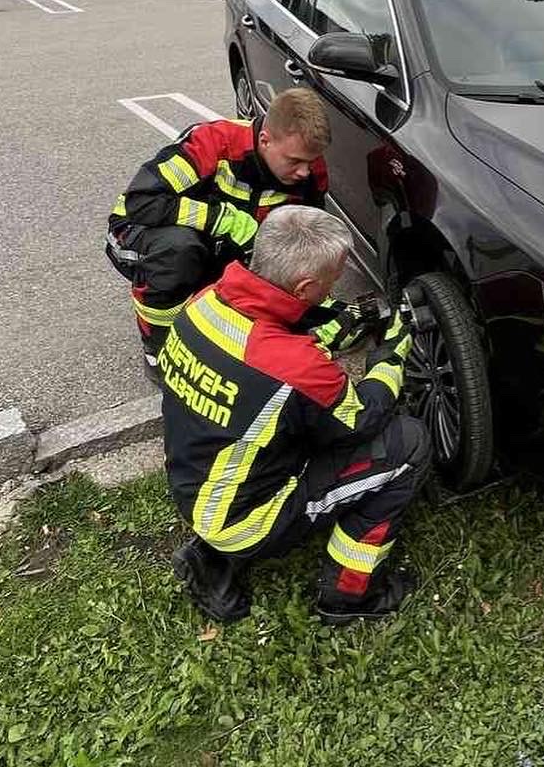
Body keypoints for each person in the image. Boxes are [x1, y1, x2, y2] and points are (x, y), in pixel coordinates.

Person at [163, 205, 431, 625]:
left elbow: (264, 366)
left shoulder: (202, 304)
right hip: (247, 521)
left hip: (195, 486)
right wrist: (388, 359)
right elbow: (363, 418)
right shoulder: (296, 367)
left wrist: (326, 332)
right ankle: (348, 596)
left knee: (291, 419)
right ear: (304, 285)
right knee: (408, 443)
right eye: (331, 282)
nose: (332, 290)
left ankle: (212, 554)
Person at [106, 88, 331, 378]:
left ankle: (209, 318)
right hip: (141, 235)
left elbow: (305, 245)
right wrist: (222, 219)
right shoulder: (213, 143)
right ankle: (159, 349)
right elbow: (141, 201)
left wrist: (320, 309)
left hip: (216, 245)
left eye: (310, 162)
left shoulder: (311, 170)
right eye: (295, 161)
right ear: (265, 140)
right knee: (178, 250)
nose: (304, 172)